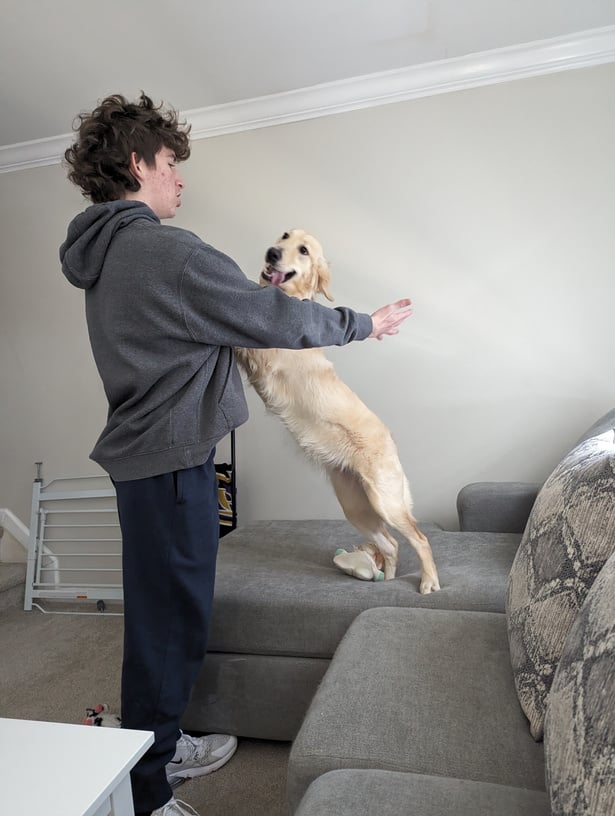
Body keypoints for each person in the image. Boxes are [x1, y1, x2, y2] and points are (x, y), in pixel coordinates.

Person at [59, 92, 414, 816]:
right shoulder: (164, 250)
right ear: (137, 164)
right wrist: (361, 323)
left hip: (155, 459)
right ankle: (146, 787)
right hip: (169, 464)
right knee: (168, 620)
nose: (178, 179)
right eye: (169, 163)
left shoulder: (105, 252)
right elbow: (269, 312)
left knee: (171, 609)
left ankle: (157, 738)